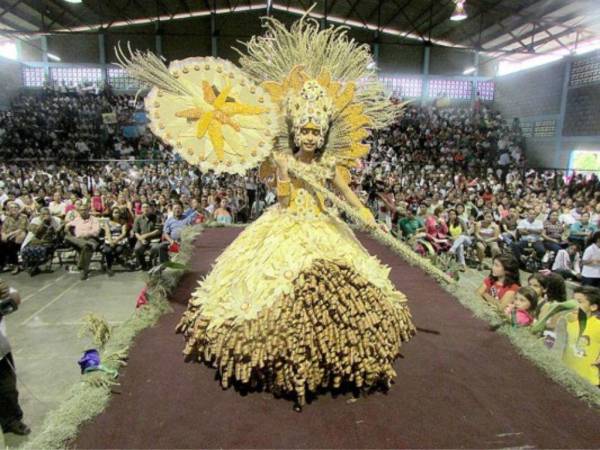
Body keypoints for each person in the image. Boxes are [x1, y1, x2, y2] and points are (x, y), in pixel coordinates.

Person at [137, 16, 420, 410]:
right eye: (303, 131)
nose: (309, 137)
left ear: (322, 135)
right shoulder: (285, 159)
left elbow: (348, 195)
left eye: (314, 133)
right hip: (286, 226)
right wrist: (286, 172)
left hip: (325, 225)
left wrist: (366, 215)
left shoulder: (330, 165)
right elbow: (285, 200)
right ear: (295, 131)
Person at [0, 281, 30, 435]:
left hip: (0, 348)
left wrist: (7, 295)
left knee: (8, 388)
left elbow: (16, 299)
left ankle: (11, 420)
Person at [561, 286, 600, 386]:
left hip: (588, 381)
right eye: (573, 300)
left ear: (593, 307)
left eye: (579, 302)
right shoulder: (568, 320)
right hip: (564, 375)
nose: (574, 305)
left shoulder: (597, 325)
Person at [21, 207, 62, 276]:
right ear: (40, 214)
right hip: (36, 238)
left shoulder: (55, 219)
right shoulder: (35, 220)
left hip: (50, 240)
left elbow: (63, 223)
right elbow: (36, 232)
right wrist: (43, 222)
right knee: (29, 248)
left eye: (47, 214)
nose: (45, 216)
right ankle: (32, 266)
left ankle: (35, 266)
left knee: (46, 246)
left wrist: (59, 228)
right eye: (43, 214)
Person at [65, 205, 101, 280]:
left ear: (88, 210)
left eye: (85, 210)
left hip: (91, 239)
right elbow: (68, 225)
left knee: (86, 248)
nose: (83, 212)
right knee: (67, 237)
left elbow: (96, 232)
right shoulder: (77, 219)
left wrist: (84, 234)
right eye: (81, 210)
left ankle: (82, 269)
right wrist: (67, 228)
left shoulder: (94, 219)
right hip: (78, 240)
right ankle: (85, 244)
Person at [0, 203, 28, 275]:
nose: (14, 209)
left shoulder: (23, 217)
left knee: (11, 244)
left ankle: (16, 265)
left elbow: (21, 229)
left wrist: (8, 235)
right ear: (9, 210)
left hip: (19, 236)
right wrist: (3, 235)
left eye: (15, 207)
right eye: (11, 208)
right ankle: (4, 264)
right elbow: (3, 229)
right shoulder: (7, 218)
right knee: (1, 243)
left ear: (19, 209)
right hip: (9, 236)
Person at [132, 202, 161, 270]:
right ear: (141, 209)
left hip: (154, 239)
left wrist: (146, 235)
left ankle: (151, 262)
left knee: (156, 248)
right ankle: (143, 264)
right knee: (137, 248)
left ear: (150, 208)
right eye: (144, 207)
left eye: (147, 207)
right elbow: (136, 232)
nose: (145, 209)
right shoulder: (138, 219)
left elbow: (158, 231)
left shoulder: (156, 218)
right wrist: (141, 239)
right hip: (142, 239)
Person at [101, 208, 129, 276]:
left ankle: (116, 259)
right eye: (115, 212)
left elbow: (123, 233)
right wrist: (111, 241)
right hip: (110, 238)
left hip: (119, 238)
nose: (117, 214)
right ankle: (109, 267)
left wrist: (116, 241)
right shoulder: (107, 222)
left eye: (118, 212)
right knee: (108, 250)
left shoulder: (123, 222)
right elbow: (107, 232)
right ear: (112, 214)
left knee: (119, 249)